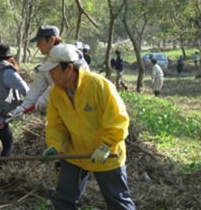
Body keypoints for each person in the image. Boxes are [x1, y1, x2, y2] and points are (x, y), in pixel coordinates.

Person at [39, 44, 135, 210]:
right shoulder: (56, 92)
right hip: (75, 154)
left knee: (118, 201)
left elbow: (118, 119)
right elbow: (56, 124)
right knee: (63, 199)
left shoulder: (99, 85)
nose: (50, 73)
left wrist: (106, 145)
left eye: (53, 69)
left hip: (107, 153)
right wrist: (54, 145)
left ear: (69, 68)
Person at [12, 25, 90, 117]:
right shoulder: (46, 61)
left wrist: (41, 102)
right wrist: (23, 107)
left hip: (83, 108)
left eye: (40, 41)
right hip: (64, 111)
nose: (37, 45)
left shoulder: (69, 55)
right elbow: (38, 87)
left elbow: (59, 85)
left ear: (51, 40)